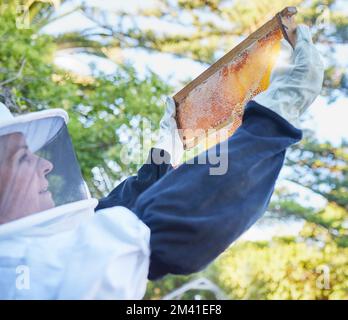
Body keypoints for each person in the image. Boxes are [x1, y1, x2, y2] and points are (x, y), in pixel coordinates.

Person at [0, 19, 324, 299]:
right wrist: (274, 117)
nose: (47, 164)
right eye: (22, 159)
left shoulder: (38, 251)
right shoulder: (30, 272)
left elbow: (111, 215)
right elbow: (159, 225)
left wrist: (164, 154)